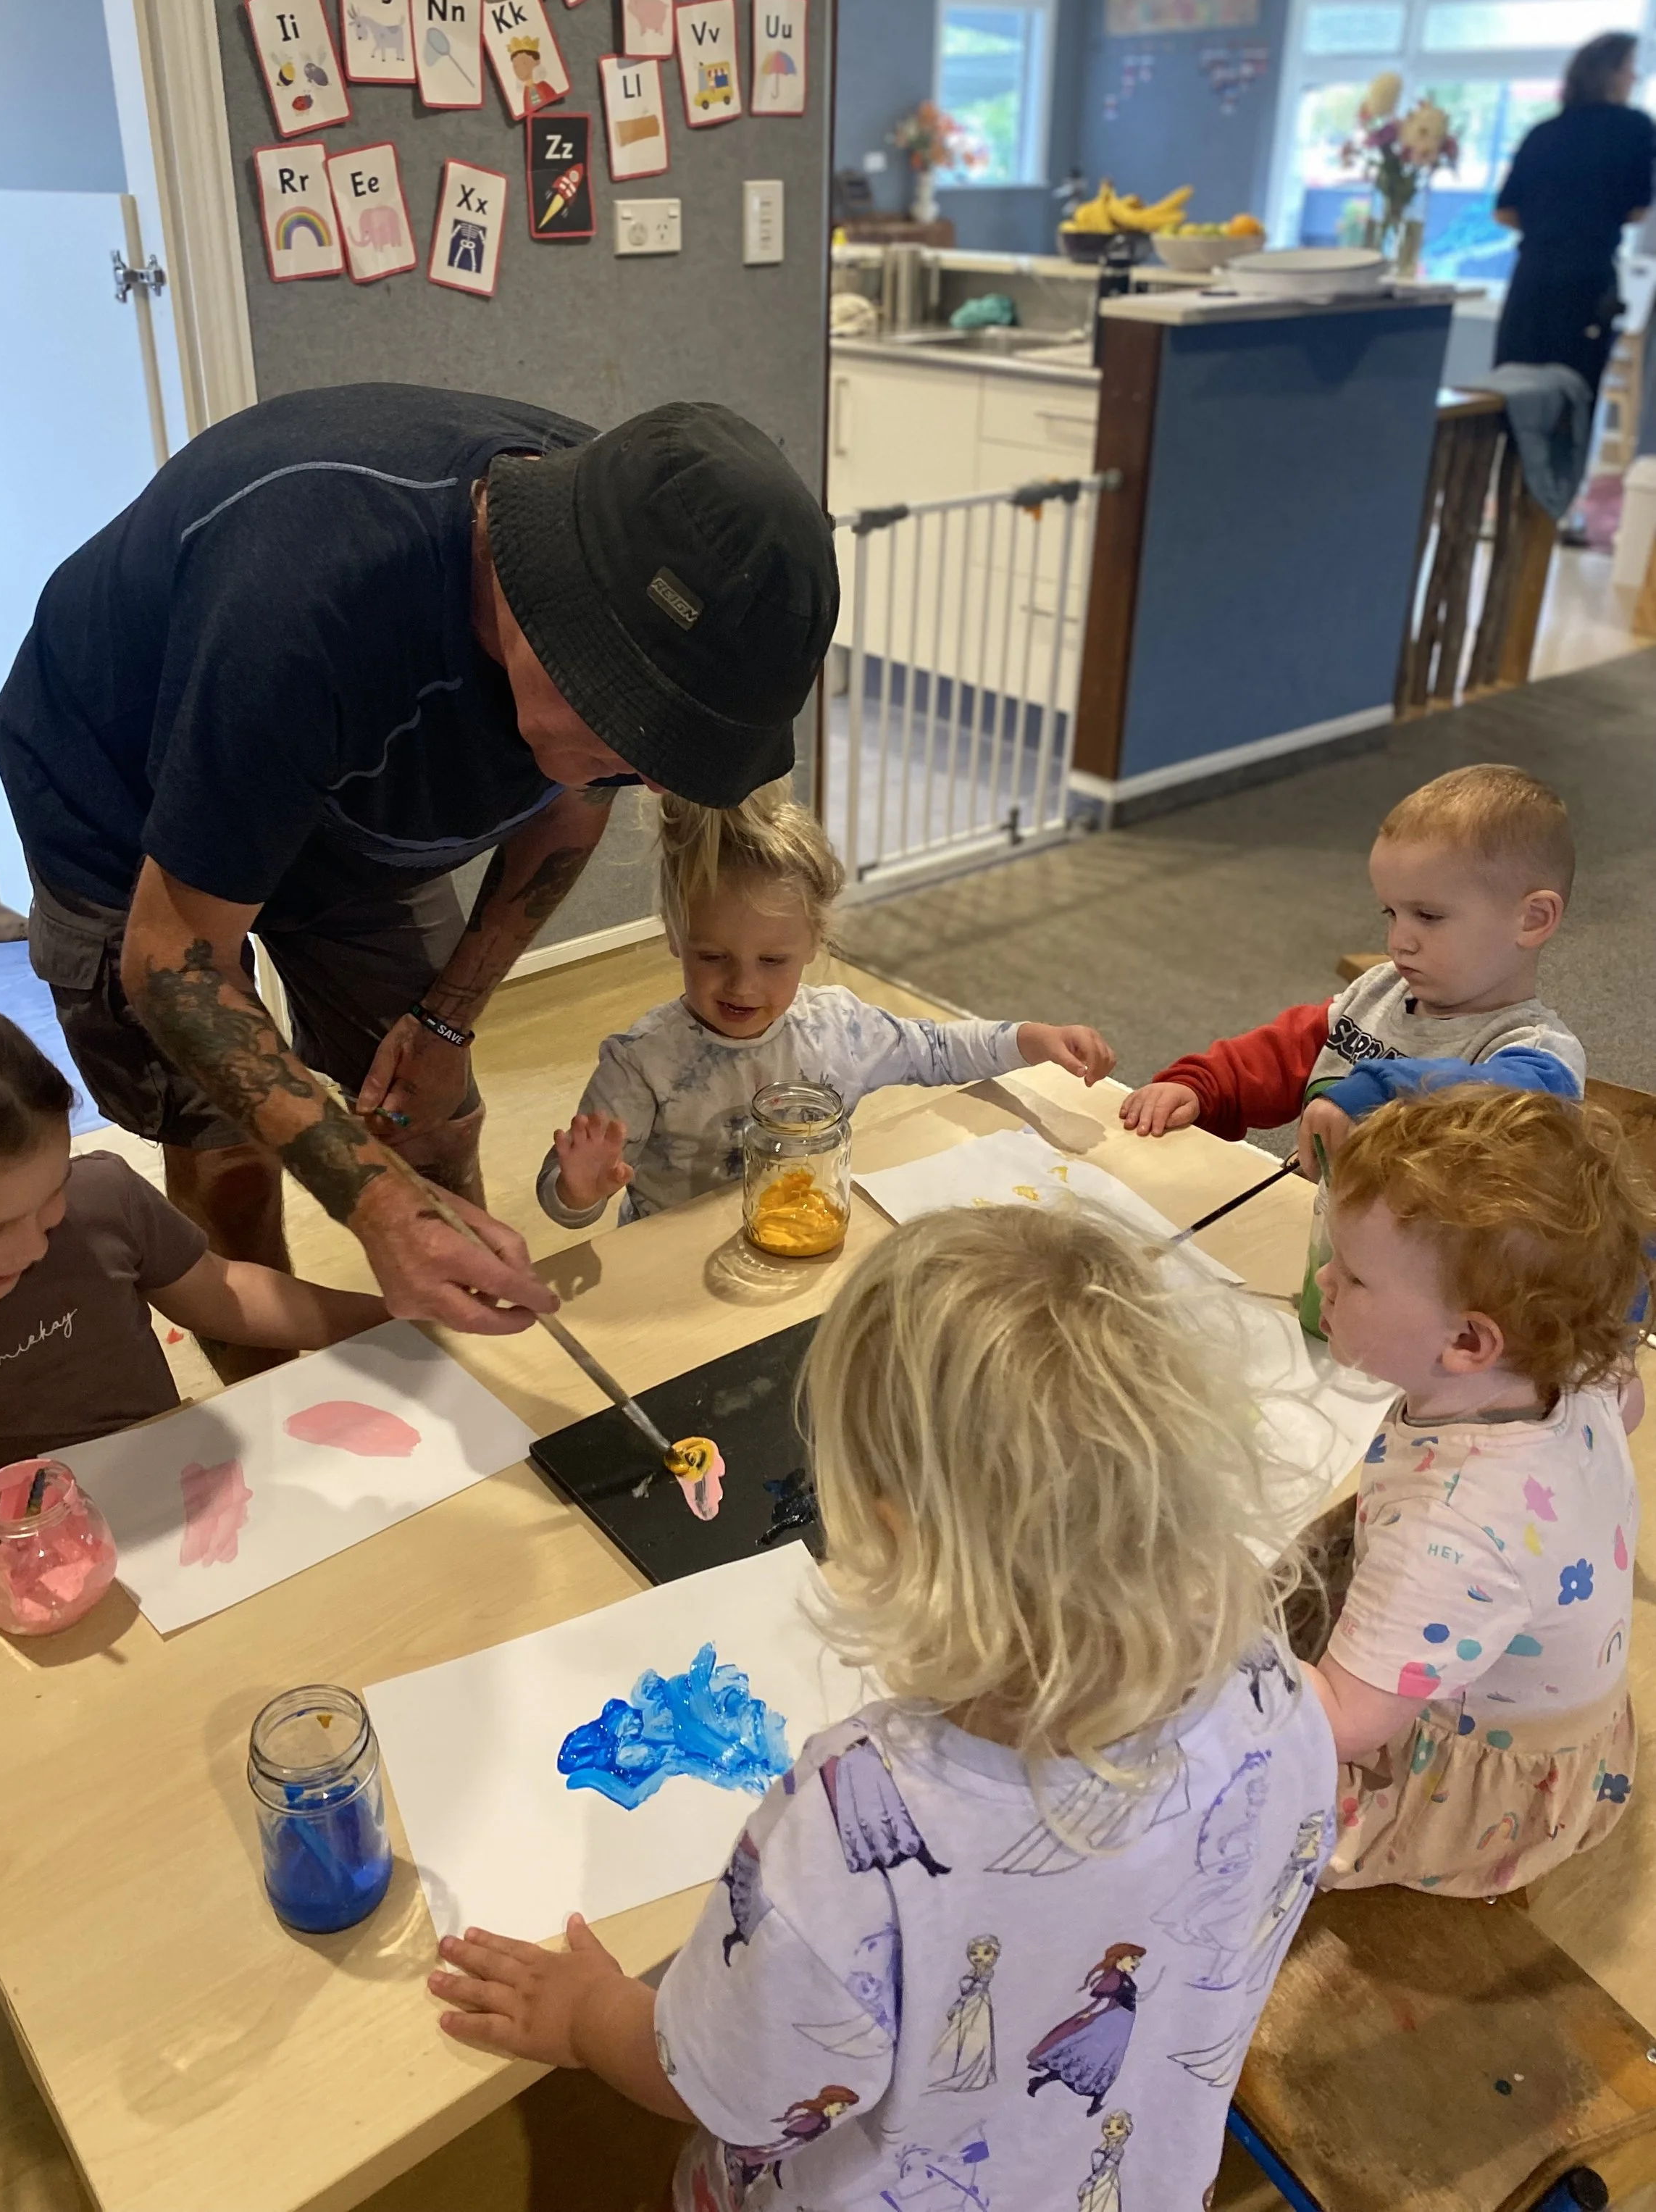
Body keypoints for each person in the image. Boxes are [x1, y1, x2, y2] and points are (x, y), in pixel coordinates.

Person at [426, 1202, 1337, 2211]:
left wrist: (590, 2016)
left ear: (899, 1534)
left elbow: (745, 2090)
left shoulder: (855, 1821)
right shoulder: (1275, 1685)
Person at [0, 388, 837, 1345]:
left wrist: (446, 1019)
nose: (646, 777)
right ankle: (278, 1412)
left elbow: (570, 807)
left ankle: (460, 1385)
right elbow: (171, 959)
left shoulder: (638, 540)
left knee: (429, 1113)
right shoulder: (306, 602)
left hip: (348, 798)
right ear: (545, 609)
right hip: (122, 797)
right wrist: (377, 1209)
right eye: (631, 735)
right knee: (230, 1154)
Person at [0, 986, 388, 1595]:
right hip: (9, 1565)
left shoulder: (101, 1199)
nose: (34, 1246)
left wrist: (384, 1320)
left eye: (54, 1186)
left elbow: (226, 1292)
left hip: (173, 1503)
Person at [1307, 1084, 1646, 1895]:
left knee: (1210, 1806)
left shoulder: (1449, 1531)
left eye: (1351, 1277)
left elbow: (1346, 1724)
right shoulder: (1573, 1371)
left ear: (1466, 1340)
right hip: (1563, 1720)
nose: (1322, 1279)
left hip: (1475, 1785)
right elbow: (1627, 1400)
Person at [540, 784, 1116, 1225]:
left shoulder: (840, 1029)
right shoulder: (641, 1063)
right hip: (674, 1266)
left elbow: (936, 1050)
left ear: (814, 941)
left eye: (772, 962)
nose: (742, 986)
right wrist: (579, 1190)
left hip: (801, 1231)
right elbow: (562, 1194)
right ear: (674, 934)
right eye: (713, 956)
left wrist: (1032, 1039)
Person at [1118, 764, 1584, 1169]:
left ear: (1533, 919)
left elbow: (1501, 1100)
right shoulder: (1379, 993)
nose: (1399, 940)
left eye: (1428, 916)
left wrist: (1375, 1089)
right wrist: (1202, 1089)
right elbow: (1277, 1057)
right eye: (1391, 913)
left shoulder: (1539, 1056)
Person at [1494, 30, 1655, 404]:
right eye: (1631, 68)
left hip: (1532, 278)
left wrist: (1549, 223)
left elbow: (1505, 211)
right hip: (1587, 277)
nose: (1635, 77)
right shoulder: (1634, 128)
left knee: (1512, 389)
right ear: (1611, 74)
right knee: (1574, 396)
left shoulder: (1542, 133)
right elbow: (1638, 208)